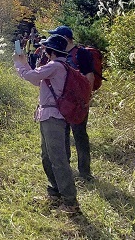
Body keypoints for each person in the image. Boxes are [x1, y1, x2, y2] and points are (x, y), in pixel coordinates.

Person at [13, 34, 81, 214]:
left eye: (45, 49)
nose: (43, 51)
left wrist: (19, 63)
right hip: (48, 116)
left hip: (53, 117)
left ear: (51, 51)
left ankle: (70, 202)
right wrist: (24, 62)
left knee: (57, 159)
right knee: (48, 156)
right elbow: (36, 79)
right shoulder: (57, 66)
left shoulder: (55, 66)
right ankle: (55, 193)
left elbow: (29, 75)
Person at [48, 25, 95, 182]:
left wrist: (86, 99)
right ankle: (66, 167)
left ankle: (85, 172)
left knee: (80, 135)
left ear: (66, 38)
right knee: (64, 135)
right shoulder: (59, 54)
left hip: (78, 103)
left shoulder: (82, 53)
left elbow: (89, 76)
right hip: (62, 103)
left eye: (57, 36)